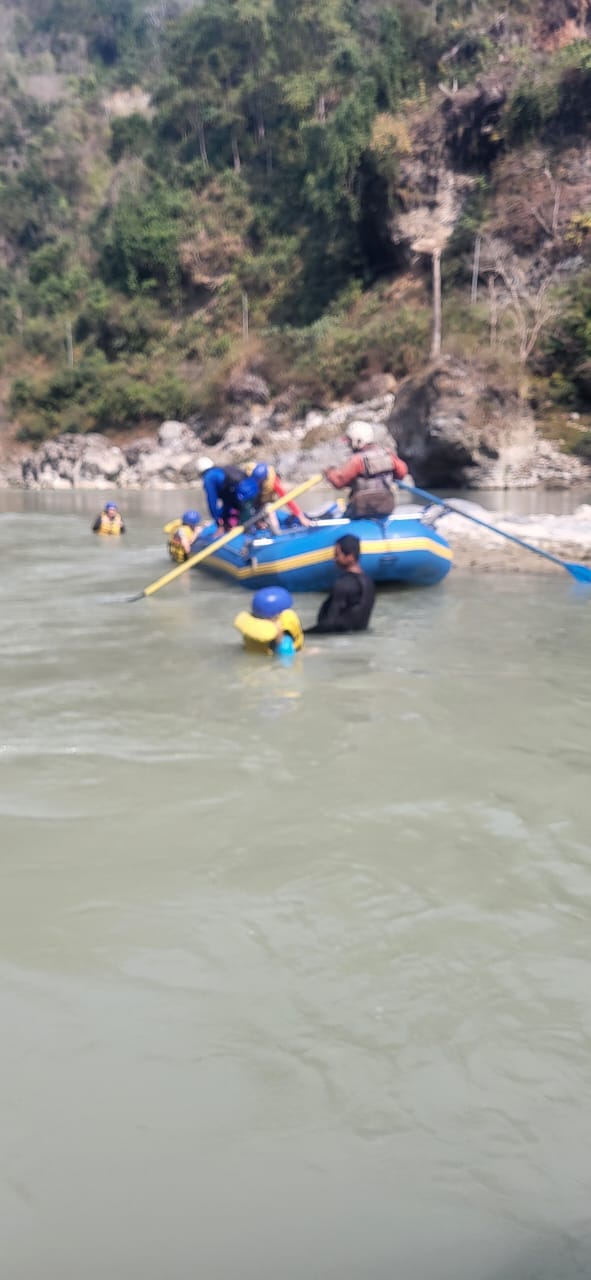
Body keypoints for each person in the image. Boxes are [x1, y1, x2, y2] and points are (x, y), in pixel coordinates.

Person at [324, 421, 408, 519]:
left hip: (361, 510)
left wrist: (329, 472)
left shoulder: (357, 461)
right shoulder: (388, 455)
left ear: (358, 440)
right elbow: (402, 473)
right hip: (386, 507)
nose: (349, 444)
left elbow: (339, 482)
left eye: (350, 441)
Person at [305, 534, 375, 635]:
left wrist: (304, 634)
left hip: (337, 639)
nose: (334, 559)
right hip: (359, 636)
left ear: (350, 557)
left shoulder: (342, 584)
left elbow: (330, 623)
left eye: (337, 555)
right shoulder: (369, 583)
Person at [236, 462, 312, 533]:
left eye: (259, 481)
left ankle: (277, 532)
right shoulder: (247, 477)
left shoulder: (273, 481)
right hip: (251, 506)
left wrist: (301, 517)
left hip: (265, 506)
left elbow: (287, 499)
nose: (257, 483)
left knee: (270, 508)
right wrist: (257, 521)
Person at [234, 585, 304, 656]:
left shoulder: (252, 627)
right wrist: (280, 637)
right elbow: (286, 655)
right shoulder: (281, 631)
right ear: (278, 616)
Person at [198, 457, 247, 531]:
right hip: (247, 494)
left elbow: (212, 501)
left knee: (228, 517)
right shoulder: (220, 470)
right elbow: (227, 498)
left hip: (240, 497)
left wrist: (217, 519)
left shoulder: (209, 477)